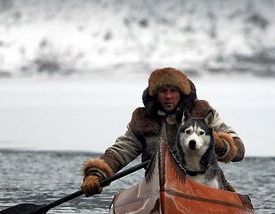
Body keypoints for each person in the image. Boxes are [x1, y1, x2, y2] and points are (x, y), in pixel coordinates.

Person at [81, 67, 245, 196]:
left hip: (205, 183)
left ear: (181, 94)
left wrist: (220, 144)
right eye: (163, 91)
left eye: (173, 91)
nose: (168, 96)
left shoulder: (203, 113)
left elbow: (238, 150)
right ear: (155, 95)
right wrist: (96, 174)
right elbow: (120, 151)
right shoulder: (142, 120)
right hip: (157, 187)